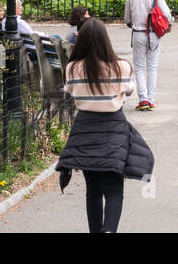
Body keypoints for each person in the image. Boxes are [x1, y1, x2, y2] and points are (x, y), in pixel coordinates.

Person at [57, 18, 151, 233]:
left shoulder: (72, 68)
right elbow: (128, 92)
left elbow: (70, 92)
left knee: (93, 190)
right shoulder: (121, 67)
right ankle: (109, 230)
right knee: (114, 188)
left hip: (85, 129)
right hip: (113, 129)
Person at [123, 0, 172, 111]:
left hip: (138, 34)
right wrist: (170, 23)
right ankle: (151, 99)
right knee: (152, 67)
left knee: (138, 67)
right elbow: (167, 13)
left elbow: (127, 18)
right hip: (153, 35)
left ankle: (142, 99)